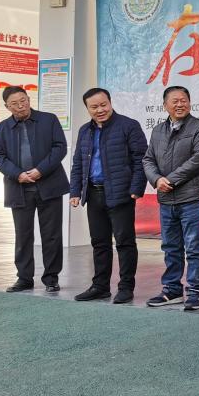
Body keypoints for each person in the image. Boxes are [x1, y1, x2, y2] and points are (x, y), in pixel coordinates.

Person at [69, 88, 147, 304]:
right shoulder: (85, 131)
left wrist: (136, 188)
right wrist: (75, 191)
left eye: (103, 105)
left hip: (121, 193)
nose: (100, 110)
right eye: (94, 107)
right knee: (99, 243)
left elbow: (141, 159)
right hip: (93, 194)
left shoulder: (128, 126)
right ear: (87, 109)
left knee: (124, 242)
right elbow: (78, 163)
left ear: (110, 103)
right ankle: (100, 286)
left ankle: (126, 287)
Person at [0, 86, 69, 294]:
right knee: (23, 235)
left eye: (23, 100)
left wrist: (40, 170)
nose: (21, 106)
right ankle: (24, 278)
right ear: (7, 107)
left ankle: (51, 278)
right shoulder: (1, 129)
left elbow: (59, 147)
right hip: (19, 188)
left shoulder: (48, 120)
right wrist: (18, 174)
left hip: (49, 186)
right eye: (15, 103)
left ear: (28, 99)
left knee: (52, 235)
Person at [142, 86, 199, 311]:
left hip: (192, 198)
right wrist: (156, 180)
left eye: (184, 100)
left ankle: (195, 291)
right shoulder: (158, 131)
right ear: (165, 105)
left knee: (194, 247)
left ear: (189, 103)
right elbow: (148, 159)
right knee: (170, 247)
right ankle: (172, 290)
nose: (180, 104)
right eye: (175, 101)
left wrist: (169, 180)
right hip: (166, 200)